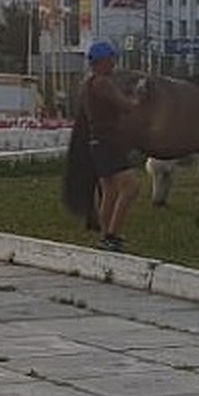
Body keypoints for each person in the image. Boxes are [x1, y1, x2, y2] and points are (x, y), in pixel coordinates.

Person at [77, 38, 141, 252]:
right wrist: (137, 96)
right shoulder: (103, 83)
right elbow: (126, 106)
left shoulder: (86, 84)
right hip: (109, 142)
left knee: (110, 190)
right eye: (112, 59)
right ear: (102, 61)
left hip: (97, 142)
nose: (114, 63)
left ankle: (105, 236)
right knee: (131, 187)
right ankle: (113, 235)